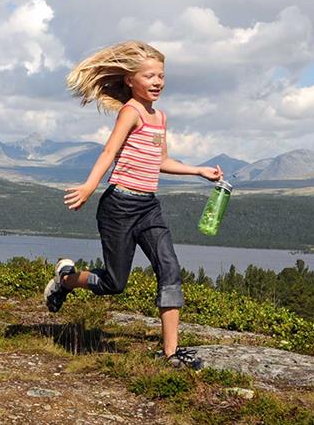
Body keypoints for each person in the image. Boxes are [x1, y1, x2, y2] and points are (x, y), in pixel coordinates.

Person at [44, 40, 223, 368]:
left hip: (148, 207)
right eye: (150, 76)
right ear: (130, 80)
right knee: (114, 283)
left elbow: (161, 160)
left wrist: (198, 170)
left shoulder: (160, 117)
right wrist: (89, 186)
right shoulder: (131, 112)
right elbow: (109, 152)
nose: (158, 82)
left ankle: (170, 354)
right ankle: (65, 279)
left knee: (169, 268)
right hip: (119, 206)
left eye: (162, 76)